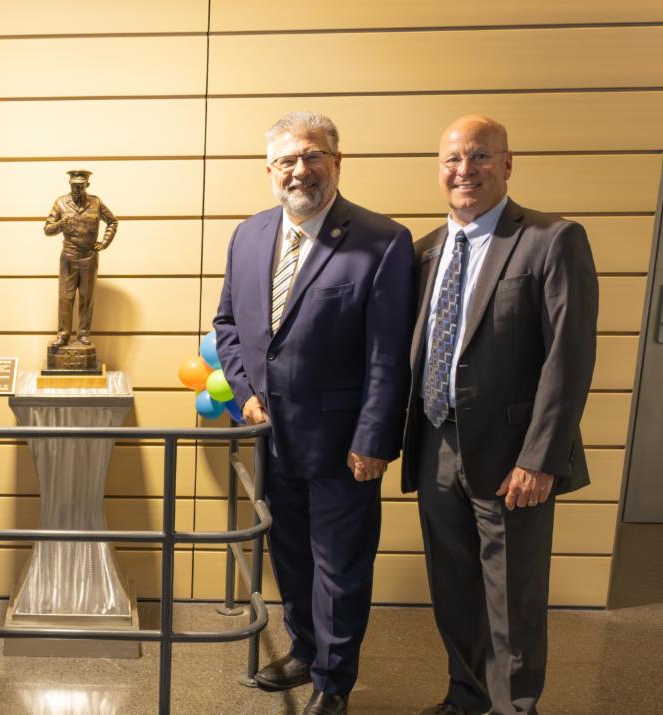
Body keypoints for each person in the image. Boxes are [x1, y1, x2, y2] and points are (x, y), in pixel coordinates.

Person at [213, 111, 415, 715]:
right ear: (269, 170)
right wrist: (245, 391)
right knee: (291, 557)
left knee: (340, 570)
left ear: (336, 162)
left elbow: (387, 353)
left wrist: (374, 438)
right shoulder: (249, 235)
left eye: (312, 156)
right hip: (269, 436)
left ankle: (334, 682)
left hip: (342, 444)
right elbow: (228, 325)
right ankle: (304, 650)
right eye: (286, 160)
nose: (299, 170)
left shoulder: (383, 240)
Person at [402, 115, 598, 715]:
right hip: (436, 443)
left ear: (507, 164)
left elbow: (569, 359)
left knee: (513, 598)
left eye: (480, 156)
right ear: (439, 170)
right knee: (453, 588)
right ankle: (466, 696)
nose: (465, 170)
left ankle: (515, 708)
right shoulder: (423, 252)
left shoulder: (551, 239)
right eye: (452, 159)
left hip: (514, 455)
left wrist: (541, 458)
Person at [44, 169, 118, 347]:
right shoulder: (60, 203)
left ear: (87, 185)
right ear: (69, 184)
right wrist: (59, 224)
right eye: (74, 186)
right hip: (68, 257)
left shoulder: (96, 203)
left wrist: (104, 243)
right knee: (65, 297)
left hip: (89, 257)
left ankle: (83, 333)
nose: (77, 189)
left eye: (81, 186)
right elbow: (47, 229)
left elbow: (112, 221)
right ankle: (63, 335)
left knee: (86, 296)